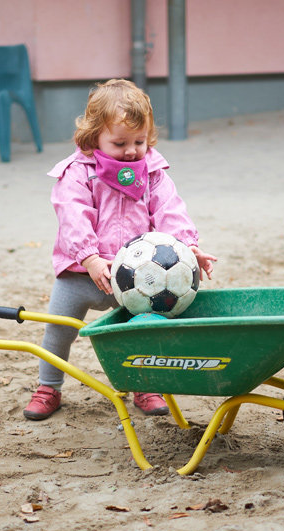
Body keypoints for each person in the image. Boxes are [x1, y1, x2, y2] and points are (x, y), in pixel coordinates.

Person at [23, 79, 217, 421]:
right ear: (93, 136)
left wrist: (189, 247)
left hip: (137, 276)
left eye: (139, 141)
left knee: (141, 331)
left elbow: (170, 210)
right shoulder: (79, 173)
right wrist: (90, 257)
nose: (131, 151)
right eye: (120, 143)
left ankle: (144, 385)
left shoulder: (153, 173)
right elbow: (73, 217)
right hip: (81, 272)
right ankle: (48, 386)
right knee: (59, 330)